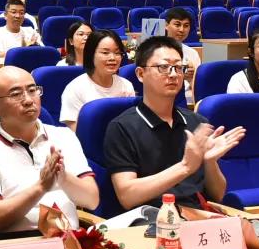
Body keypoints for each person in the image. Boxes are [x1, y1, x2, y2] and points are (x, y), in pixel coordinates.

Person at [102, 36, 245, 210]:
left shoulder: (197, 123)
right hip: (150, 218)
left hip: (196, 216)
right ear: (140, 74)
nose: (173, 74)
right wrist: (185, 166)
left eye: (178, 67)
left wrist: (209, 162)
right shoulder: (122, 127)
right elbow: (127, 196)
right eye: (163, 67)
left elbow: (218, 194)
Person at [0, 66, 99, 234]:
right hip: (17, 245)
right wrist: (41, 187)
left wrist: (63, 178)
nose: (29, 100)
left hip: (70, 240)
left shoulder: (64, 137)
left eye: (32, 90)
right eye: (16, 94)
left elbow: (92, 201)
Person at [59, 29, 135, 127]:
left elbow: (131, 125)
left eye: (117, 53)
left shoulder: (126, 85)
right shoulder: (74, 89)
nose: (112, 58)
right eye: (105, 53)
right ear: (91, 54)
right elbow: (77, 132)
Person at [164, 7, 201, 102]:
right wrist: (181, 76)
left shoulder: (192, 53)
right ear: (166, 25)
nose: (181, 29)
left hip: (188, 99)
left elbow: (198, 86)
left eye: (186, 26)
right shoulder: (155, 51)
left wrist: (191, 78)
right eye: (177, 25)